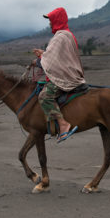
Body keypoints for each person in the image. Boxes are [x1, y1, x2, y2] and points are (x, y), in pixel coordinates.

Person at [33, 7, 85, 143]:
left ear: (57, 20)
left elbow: (51, 61)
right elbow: (55, 58)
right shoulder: (65, 35)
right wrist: (43, 54)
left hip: (64, 77)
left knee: (44, 96)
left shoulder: (60, 37)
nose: (49, 23)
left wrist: (39, 60)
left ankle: (63, 124)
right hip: (69, 72)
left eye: (51, 20)